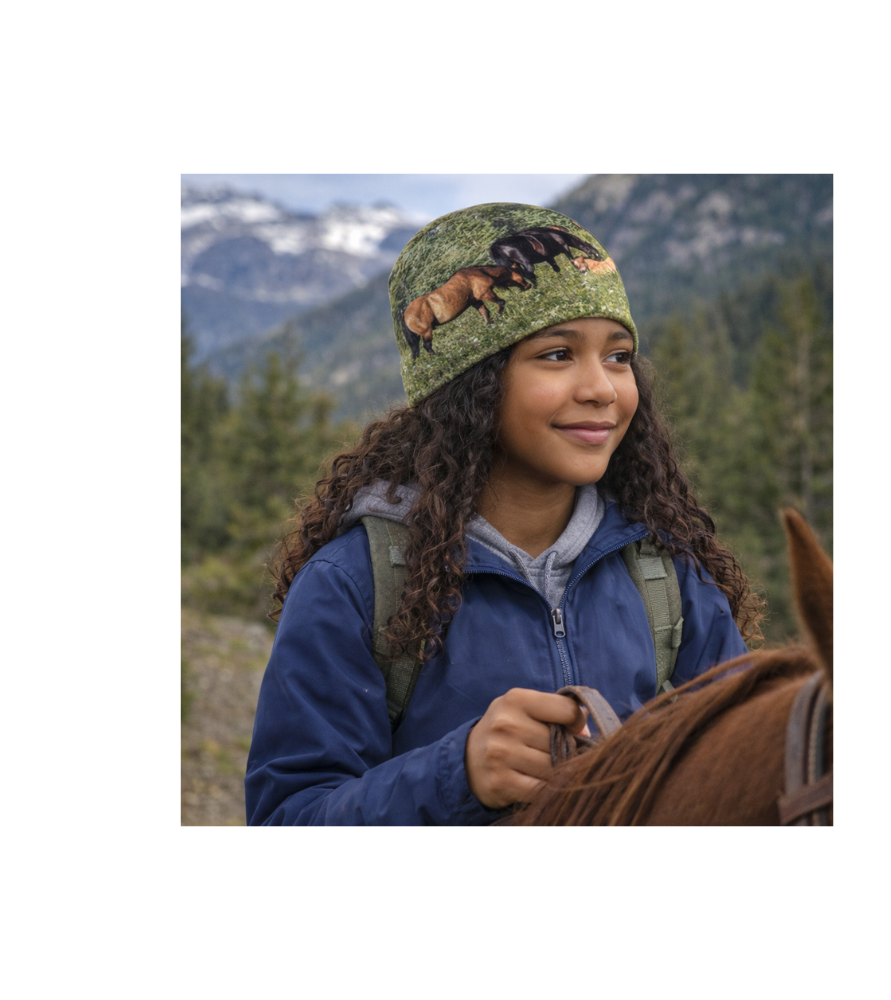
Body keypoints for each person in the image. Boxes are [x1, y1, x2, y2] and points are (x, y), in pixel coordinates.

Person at [245, 204, 763, 826]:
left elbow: (747, 780)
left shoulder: (665, 574)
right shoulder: (354, 584)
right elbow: (288, 813)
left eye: (619, 356)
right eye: (556, 355)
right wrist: (457, 774)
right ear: (472, 384)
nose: (602, 388)